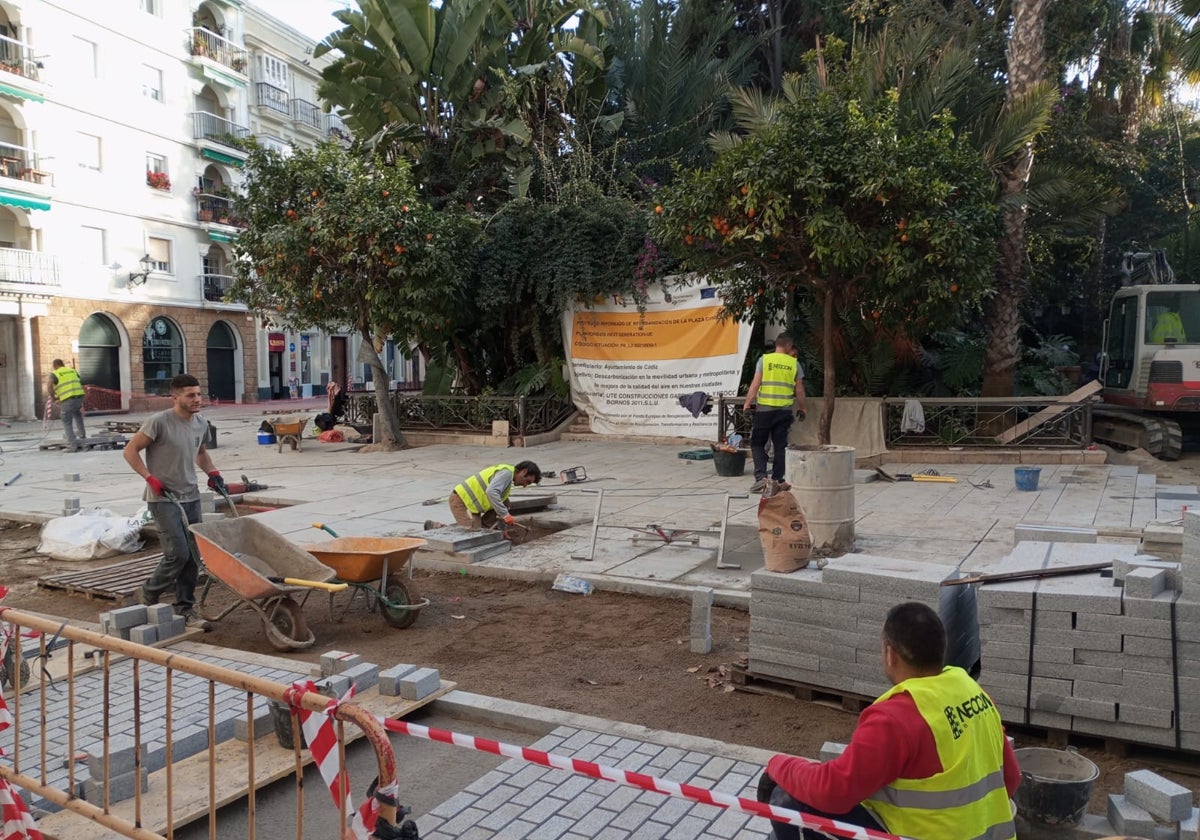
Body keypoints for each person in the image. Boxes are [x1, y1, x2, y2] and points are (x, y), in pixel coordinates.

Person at [760, 602, 1020, 840]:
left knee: (787, 798)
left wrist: (778, 765)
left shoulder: (895, 719)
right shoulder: (975, 693)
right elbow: (1011, 778)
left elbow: (833, 791)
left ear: (890, 654)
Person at [122, 374, 225, 630]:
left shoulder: (200, 423)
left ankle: (184, 608)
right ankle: (148, 593)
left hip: (191, 497)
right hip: (163, 498)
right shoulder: (159, 422)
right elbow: (130, 450)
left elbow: (200, 453)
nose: (197, 399)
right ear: (175, 396)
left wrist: (213, 473)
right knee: (177, 553)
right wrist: (149, 478)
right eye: (190, 395)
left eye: (199, 394)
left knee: (192, 556)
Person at [743, 333, 807, 493]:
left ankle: (761, 478)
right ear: (788, 346)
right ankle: (777, 479)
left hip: (764, 409)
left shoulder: (764, 360)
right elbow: (799, 389)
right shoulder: (794, 364)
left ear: (777, 345)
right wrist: (802, 407)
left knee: (757, 443)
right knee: (780, 445)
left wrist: (747, 402)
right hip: (784, 412)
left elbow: (755, 384)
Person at [449, 461, 541, 530]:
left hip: (473, 504)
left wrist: (503, 529)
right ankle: (437, 527)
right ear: (524, 471)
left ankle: (486, 530)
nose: (525, 485)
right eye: (527, 482)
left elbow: (503, 502)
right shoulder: (507, 473)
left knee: (479, 532)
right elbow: (491, 492)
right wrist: (505, 515)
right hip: (460, 500)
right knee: (468, 535)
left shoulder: (508, 478)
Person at [48, 359, 87, 452]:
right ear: (63, 364)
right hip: (79, 397)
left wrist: (53, 397)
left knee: (66, 421)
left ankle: (72, 446)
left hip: (67, 399)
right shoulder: (72, 370)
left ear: (54, 366)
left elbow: (49, 386)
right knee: (77, 414)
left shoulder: (55, 373)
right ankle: (82, 435)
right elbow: (78, 380)